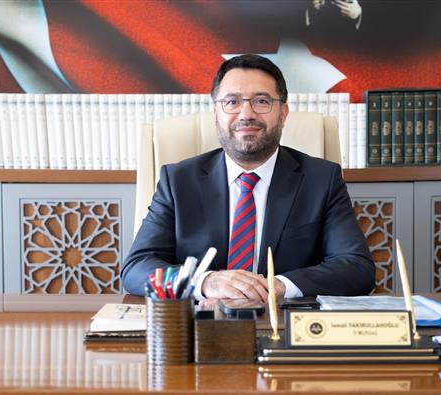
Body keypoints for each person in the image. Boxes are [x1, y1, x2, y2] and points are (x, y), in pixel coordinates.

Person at [122, 54, 375, 300]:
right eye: (232, 102)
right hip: (199, 323)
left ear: (283, 114)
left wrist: (277, 286)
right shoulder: (178, 181)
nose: (246, 114)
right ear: (216, 113)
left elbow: (357, 268)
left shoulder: (321, 180)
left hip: (283, 322)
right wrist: (205, 282)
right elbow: (136, 268)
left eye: (262, 101)